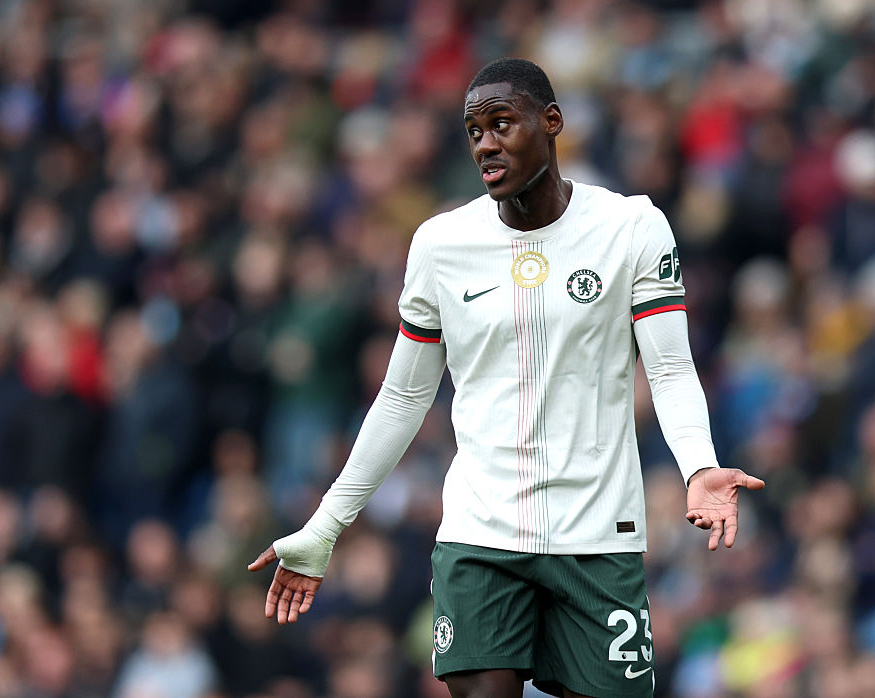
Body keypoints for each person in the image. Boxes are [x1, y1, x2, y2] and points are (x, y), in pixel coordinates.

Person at [249, 58, 765, 698]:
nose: (486, 144)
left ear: (552, 124)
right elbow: (404, 395)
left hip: (598, 535)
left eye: (502, 124)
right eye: (473, 132)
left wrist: (698, 465)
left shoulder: (631, 227)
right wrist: (326, 525)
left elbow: (669, 365)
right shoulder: (441, 245)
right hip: (480, 533)